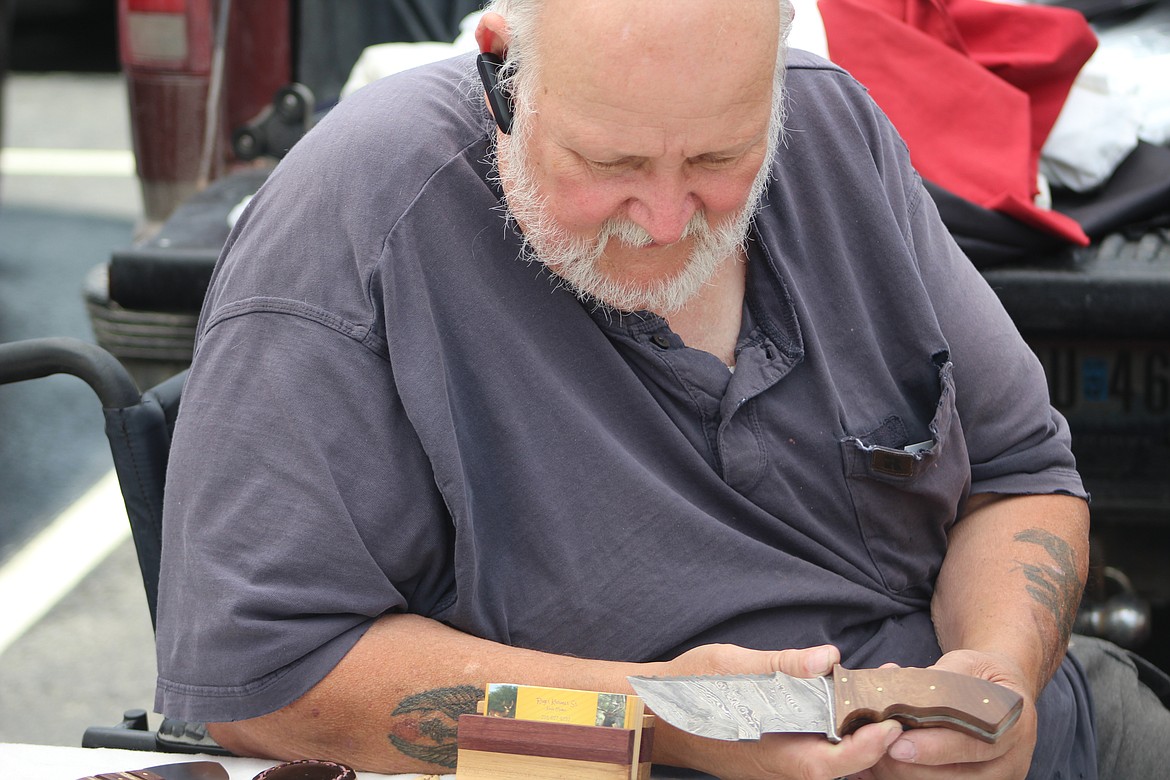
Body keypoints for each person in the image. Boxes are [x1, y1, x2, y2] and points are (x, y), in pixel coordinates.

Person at [152, 0, 1166, 777]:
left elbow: (1022, 471)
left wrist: (997, 673)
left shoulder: (830, 127)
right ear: (504, 69)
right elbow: (263, 676)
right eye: (612, 161)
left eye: (723, 156)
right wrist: (653, 721)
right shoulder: (358, 215)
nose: (670, 217)